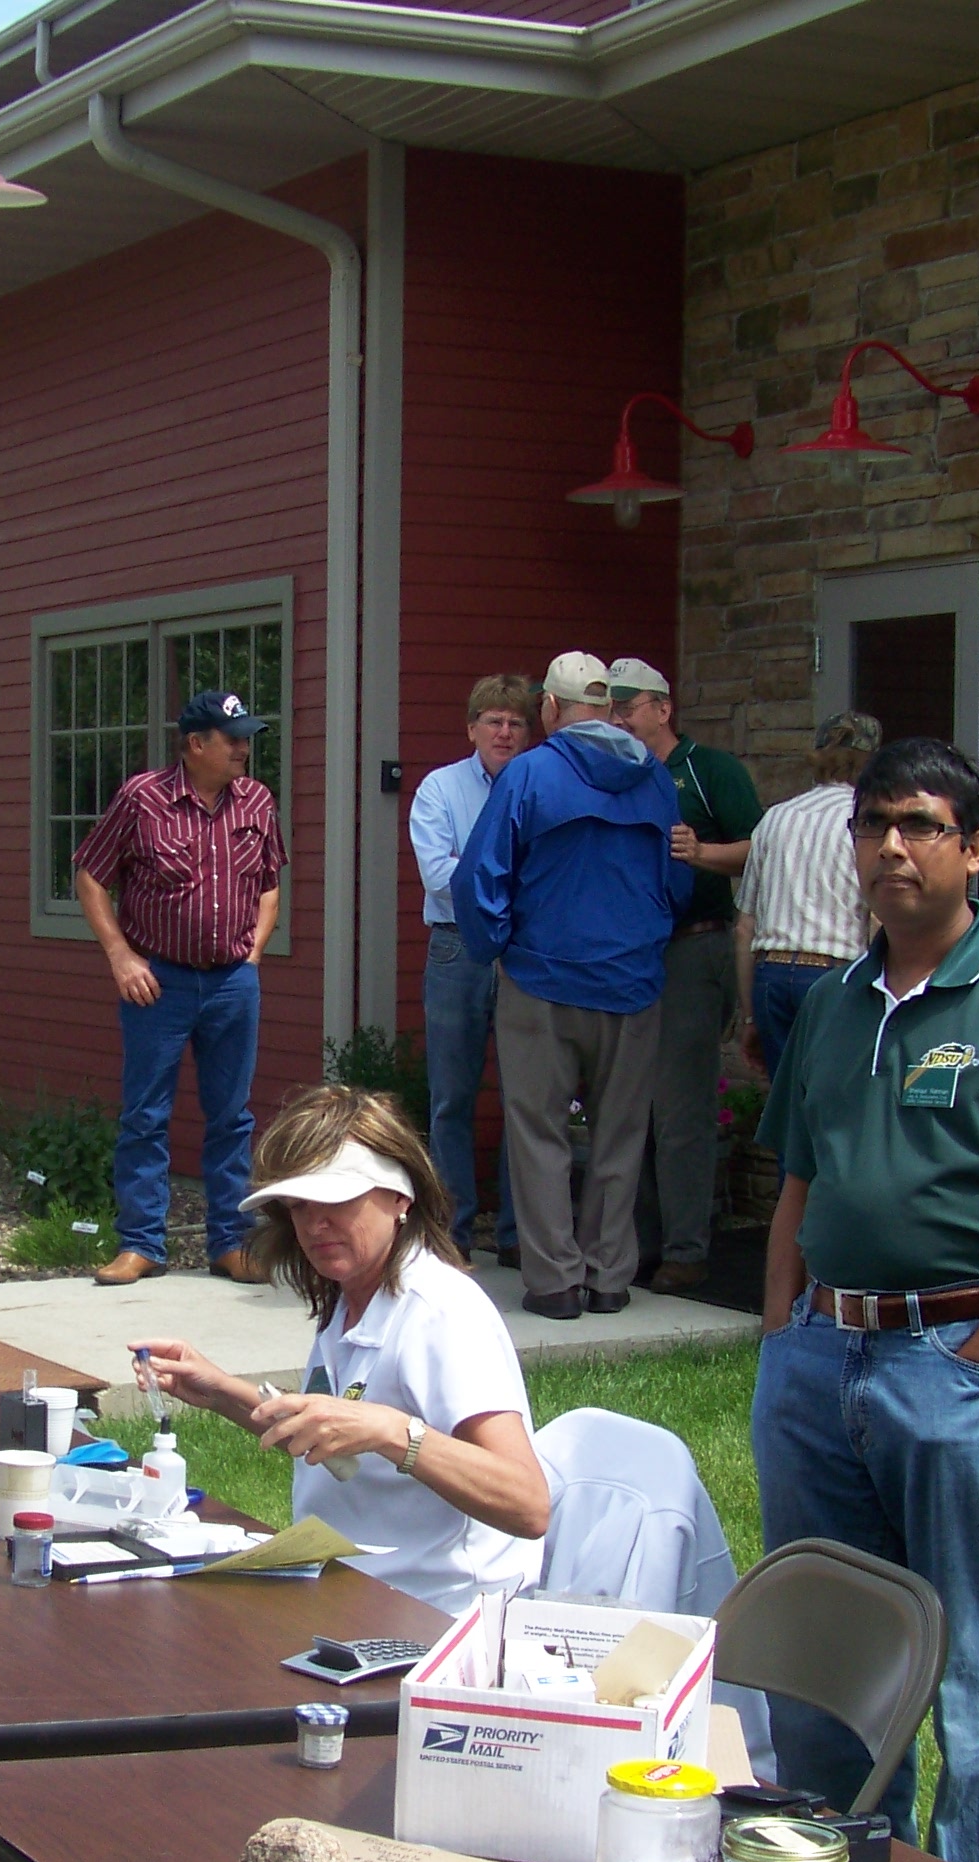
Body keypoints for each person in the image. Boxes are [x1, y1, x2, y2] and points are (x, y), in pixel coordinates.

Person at [749, 738, 979, 1862]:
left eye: (922, 826)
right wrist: (781, 1331)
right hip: (817, 1363)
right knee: (828, 1653)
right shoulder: (835, 1002)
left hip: (958, 1361)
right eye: (874, 825)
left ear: (976, 850)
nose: (893, 846)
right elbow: (797, 1174)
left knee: (973, 1664)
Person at [131, 1085, 549, 1608]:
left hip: (439, 1619)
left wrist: (391, 1431)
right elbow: (338, 1444)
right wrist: (220, 1392)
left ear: (400, 1197)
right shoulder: (355, 1298)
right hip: (353, 1593)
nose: (313, 1223)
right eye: (299, 1205)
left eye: (336, 1199)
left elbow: (528, 1504)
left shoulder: (439, 1313)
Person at [455, 651, 689, 1320]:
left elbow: (481, 876)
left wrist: (496, 947)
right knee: (619, 1135)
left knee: (539, 1134)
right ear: (612, 707)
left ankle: (555, 1282)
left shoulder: (530, 772)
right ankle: (610, 1278)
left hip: (542, 978)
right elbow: (675, 880)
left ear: (550, 710)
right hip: (634, 982)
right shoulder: (655, 780)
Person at [75, 689, 288, 1286]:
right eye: (232, 738)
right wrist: (120, 955)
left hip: (231, 984)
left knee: (232, 1117)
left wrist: (254, 950)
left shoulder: (258, 801)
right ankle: (141, 1244)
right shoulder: (144, 798)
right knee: (145, 1114)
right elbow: (92, 875)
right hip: (158, 983)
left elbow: (270, 882)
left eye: (246, 737)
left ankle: (231, 1243)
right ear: (195, 744)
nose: (243, 748)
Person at [610, 658, 763, 1293]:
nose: (617, 716)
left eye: (628, 705)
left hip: (693, 947)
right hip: (626, 957)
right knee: (627, 1105)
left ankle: (687, 1250)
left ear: (663, 708)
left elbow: (762, 847)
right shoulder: (614, 775)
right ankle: (637, 1246)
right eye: (610, 706)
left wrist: (700, 853)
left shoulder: (707, 771)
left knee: (681, 1108)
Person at [407, 674, 536, 1266]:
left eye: (514, 722)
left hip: (524, 952)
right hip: (457, 949)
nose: (504, 731)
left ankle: (515, 1235)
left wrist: (483, 873)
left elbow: (540, 875)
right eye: (493, 720)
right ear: (472, 729)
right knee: (451, 1099)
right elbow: (440, 875)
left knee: (527, 1097)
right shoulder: (440, 789)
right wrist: (513, 880)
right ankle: (453, 1232)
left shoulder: (540, 784)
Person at [736, 710, 880, 1075]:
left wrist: (750, 1015)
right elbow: (877, 917)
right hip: (836, 974)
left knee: (788, 1111)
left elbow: (743, 928)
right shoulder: (865, 821)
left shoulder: (775, 818)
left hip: (771, 974)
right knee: (836, 1104)